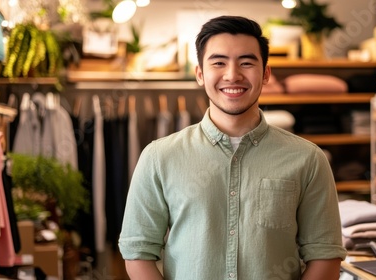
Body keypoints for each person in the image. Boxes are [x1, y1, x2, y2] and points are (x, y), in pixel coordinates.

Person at [118, 15, 347, 280]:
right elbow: (138, 253)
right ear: (200, 75)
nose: (232, 75)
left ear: (266, 74)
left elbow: (325, 255)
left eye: (246, 63)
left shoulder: (308, 159)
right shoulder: (159, 157)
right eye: (219, 63)